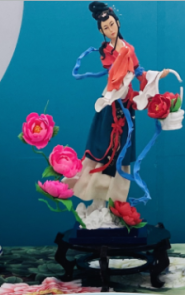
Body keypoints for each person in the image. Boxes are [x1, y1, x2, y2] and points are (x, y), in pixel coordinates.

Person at [69, 2, 170, 209]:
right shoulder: (105, 51)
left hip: (126, 104)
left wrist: (156, 76)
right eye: (106, 27)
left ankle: (116, 202)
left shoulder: (129, 49)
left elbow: (139, 72)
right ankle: (96, 197)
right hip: (111, 102)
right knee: (103, 146)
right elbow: (115, 72)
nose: (110, 29)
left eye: (112, 25)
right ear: (101, 31)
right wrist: (124, 66)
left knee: (122, 149)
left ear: (118, 23)